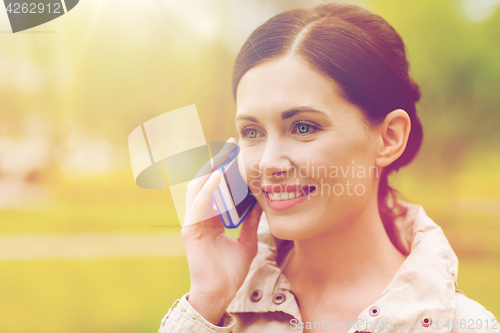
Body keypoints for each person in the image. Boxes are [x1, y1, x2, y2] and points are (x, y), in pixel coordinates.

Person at [158, 3, 499, 332]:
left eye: (303, 127)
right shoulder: (216, 314)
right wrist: (207, 300)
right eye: (252, 132)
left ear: (390, 138)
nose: (267, 163)